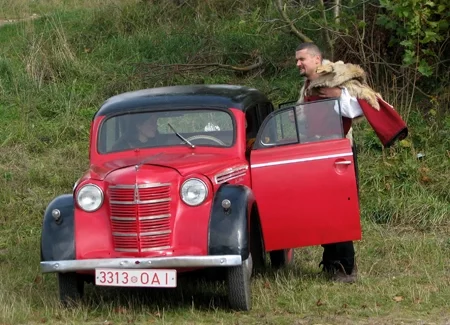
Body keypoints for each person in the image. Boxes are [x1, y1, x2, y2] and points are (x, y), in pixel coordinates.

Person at [294, 43, 408, 283]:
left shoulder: (339, 77)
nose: (298, 64)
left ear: (317, 59)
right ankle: (331, 262)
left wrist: (339, 95)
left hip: (338, 153)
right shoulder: (307, 87)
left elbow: (359, 107)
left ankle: (346, 268)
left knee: (340, 211)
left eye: (302, 59)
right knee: (323, 211)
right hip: (316, 152)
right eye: (297, 60)